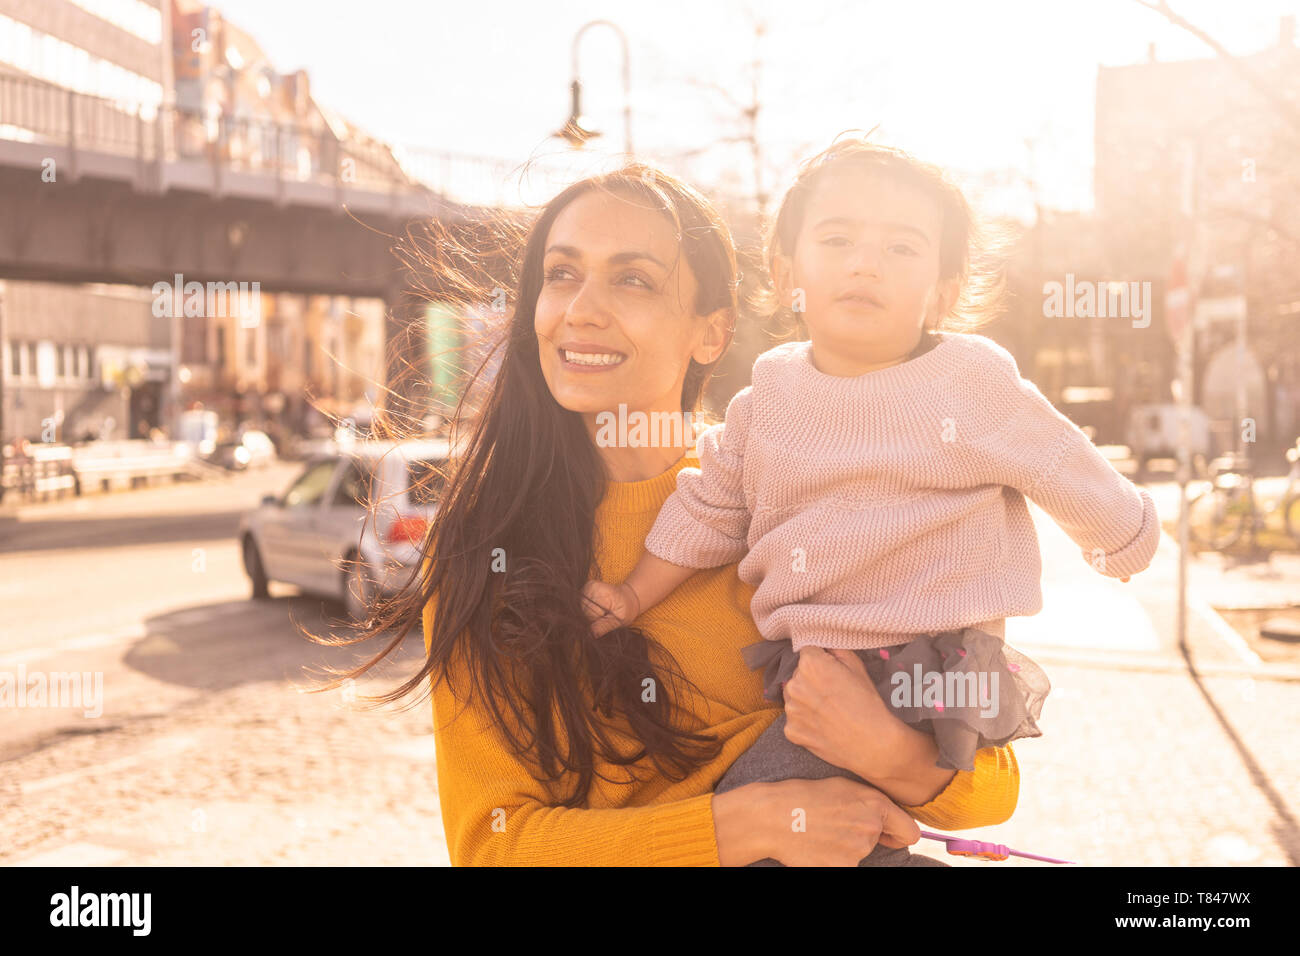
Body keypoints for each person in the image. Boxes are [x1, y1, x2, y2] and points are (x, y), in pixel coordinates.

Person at [331, 161, 1020, 866]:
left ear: (712, 334)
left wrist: (890, 753)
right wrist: (743, 827)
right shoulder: (485, 549)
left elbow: (991, 784)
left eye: (633, 279)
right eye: (562, 274)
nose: (581, 309)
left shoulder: (795, 496)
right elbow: (493, 842)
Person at [582, 140, 1160, 865]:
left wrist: (1125, 535)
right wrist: (632, 595)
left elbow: (1060, 460)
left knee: (764, 823)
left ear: (944, 290)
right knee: (824, 832)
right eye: (837, 239)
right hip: (816, 668)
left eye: (902, 247)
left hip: (940, 666)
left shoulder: (969, 381)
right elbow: (709, 508)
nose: (866, 263)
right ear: (790, 274)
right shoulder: (768, 399)